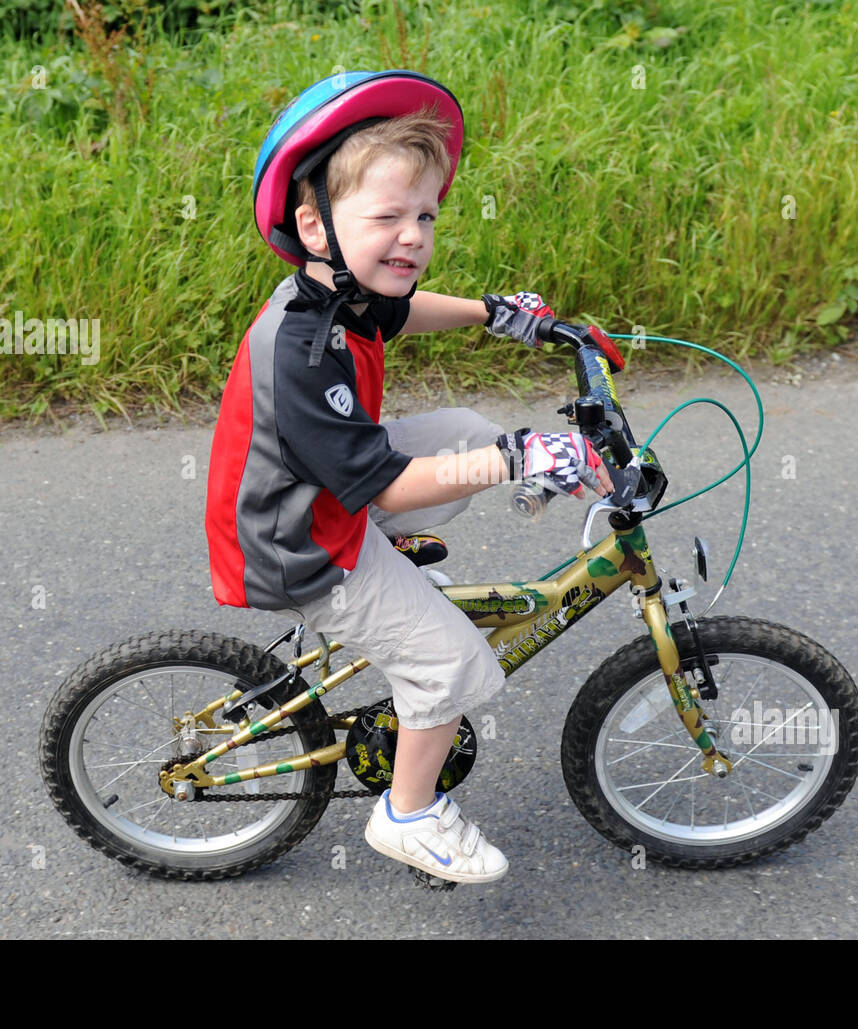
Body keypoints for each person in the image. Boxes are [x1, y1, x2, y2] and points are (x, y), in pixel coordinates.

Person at [205, 69, 613, 884]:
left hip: (312, 496)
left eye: (424, 215)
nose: (413, 235)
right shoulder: (303, 350)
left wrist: (495, 314)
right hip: (302, 544)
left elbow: (406, 307)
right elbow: (386, 483)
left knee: (465, 432)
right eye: (387, 216)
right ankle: (409, 813)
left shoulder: (340, 294)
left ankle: (403, 569)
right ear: (315, 226)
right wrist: (520, 458)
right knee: (453, 664)